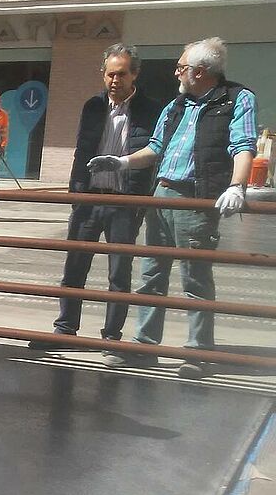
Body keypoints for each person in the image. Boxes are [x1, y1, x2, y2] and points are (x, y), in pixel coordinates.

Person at [88, 36, 257, 379]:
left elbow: (243, 144)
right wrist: (121, 162)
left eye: (181, 67)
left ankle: (198, 351)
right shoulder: (177, 105)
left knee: (195, 276)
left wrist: (237, 185)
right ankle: (145, 346)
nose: (176, 73)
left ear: (200, 71)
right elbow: (155, 148)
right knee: (151, 273)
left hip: (194, 198)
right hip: (161, 193)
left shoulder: (236, 99)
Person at [40, 44, 161, 353]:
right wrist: (76, 193)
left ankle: (111, 337)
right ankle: (65, 329)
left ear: (135, 74)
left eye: (121, 74)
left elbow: (154, 154)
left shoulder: (150, 110)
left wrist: (141, 200)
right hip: (89, 198)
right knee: (74, 267)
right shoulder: (93, 106)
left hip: (125, 202)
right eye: (109, 74)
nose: (114, 80)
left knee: (118, 273)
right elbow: (82, 151)